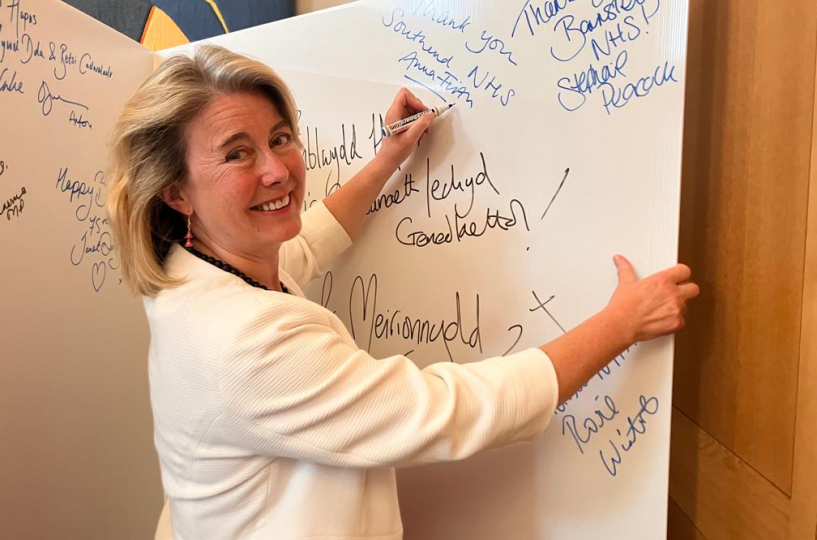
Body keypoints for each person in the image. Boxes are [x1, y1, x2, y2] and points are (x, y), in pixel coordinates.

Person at [107, 44, 699, 540]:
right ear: (176, 192)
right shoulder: (242, 344)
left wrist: (390, 156)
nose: (278, 171)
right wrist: (622, 324)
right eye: (238, 153)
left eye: (280, 137)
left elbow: (305, 244)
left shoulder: (194, 269)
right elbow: (447, 411)